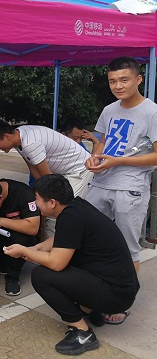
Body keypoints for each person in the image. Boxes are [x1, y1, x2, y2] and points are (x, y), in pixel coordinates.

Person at [5, 175, 139, 355]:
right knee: (67, 260)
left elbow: (56, 263)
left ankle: (82, 332)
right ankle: (91, 310)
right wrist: (35, 248)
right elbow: (62, 238)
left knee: (41, 275)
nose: (35, 204)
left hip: (116, 295)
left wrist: (25, 251)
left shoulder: (70, 218)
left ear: (52, 202)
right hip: (120, 288)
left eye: (37, 199)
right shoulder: (76, 207)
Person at [85, 57, 157, 323]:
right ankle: (94, 291)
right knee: (90, 239)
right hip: (101, 182)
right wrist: (95, 158)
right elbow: (103, 143)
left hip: (131, 187)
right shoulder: (109, 110)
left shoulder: (152, 112)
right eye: (112, 81)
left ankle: (123, 301)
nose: (118, 86)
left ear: (138, 79)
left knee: (127, 246)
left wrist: (119, 162)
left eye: (124, 79)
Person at [0, 118, 92, 239]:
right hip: (63, 171)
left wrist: (44, 200)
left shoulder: (30, 144)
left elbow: (50, 180)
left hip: (79, 170)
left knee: (55, 211)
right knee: (48, 207)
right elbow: (33, 168)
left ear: (6, 136)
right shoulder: (19, 137)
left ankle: (56, 248)